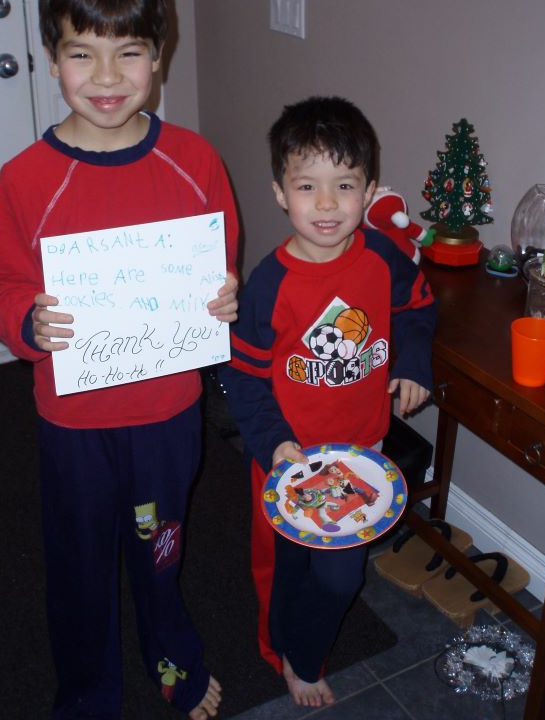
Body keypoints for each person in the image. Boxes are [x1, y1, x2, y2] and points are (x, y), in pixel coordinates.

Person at [0, 0, 239, 720]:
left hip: (165, 416)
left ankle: (171, 655)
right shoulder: (27, 179)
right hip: (74, 423)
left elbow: (217, 268)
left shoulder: (195, 161)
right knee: (81, 563)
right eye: (82, 54)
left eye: (129, 52)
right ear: (51, 60)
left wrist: (224, 298)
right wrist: (26, 317)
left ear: (160, 55)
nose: (108, 78)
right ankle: (87, 692)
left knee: (161, 549)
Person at [217, 96, 435, 709]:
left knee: (340, 573)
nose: (327, 203)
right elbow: (244, 378)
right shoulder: (268, 285)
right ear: (281, 193)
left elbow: (418, 307)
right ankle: (280, 644)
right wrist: (272, 442)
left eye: (344, 185)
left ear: (368, 191)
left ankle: (304, 658)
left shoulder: (383, 256)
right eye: (307, 186)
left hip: (361, 455)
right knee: (285, 569)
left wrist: (413, 363)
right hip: (289, 461)